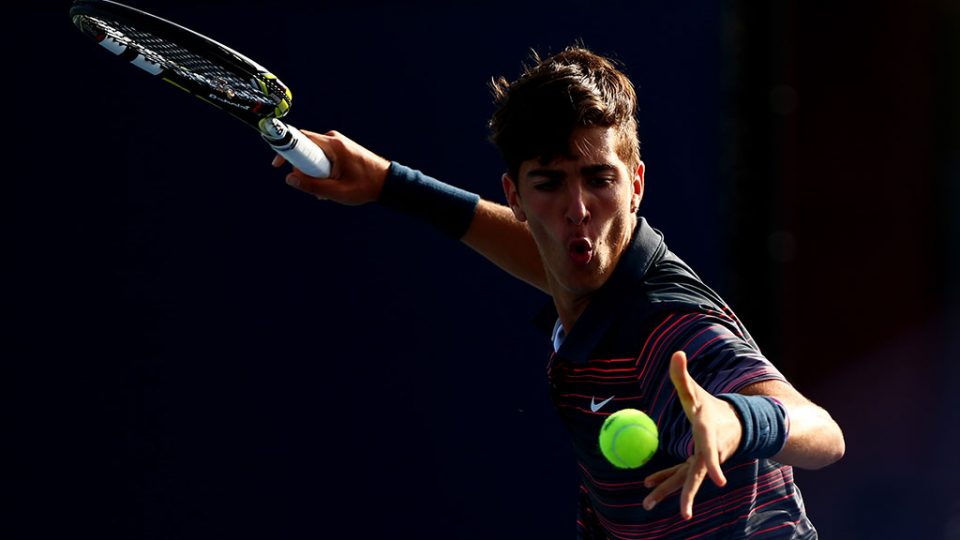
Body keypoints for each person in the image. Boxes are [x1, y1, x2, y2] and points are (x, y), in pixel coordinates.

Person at [273, 46, 844, 538]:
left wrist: (736, 420)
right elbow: (541, 252)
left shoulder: (670, 327)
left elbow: (822, 431)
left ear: (636, 184)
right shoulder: (593, 281)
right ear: (515, 196)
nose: (577, 211)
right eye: (549, 184)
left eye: (600, 180)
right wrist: (388, 182)